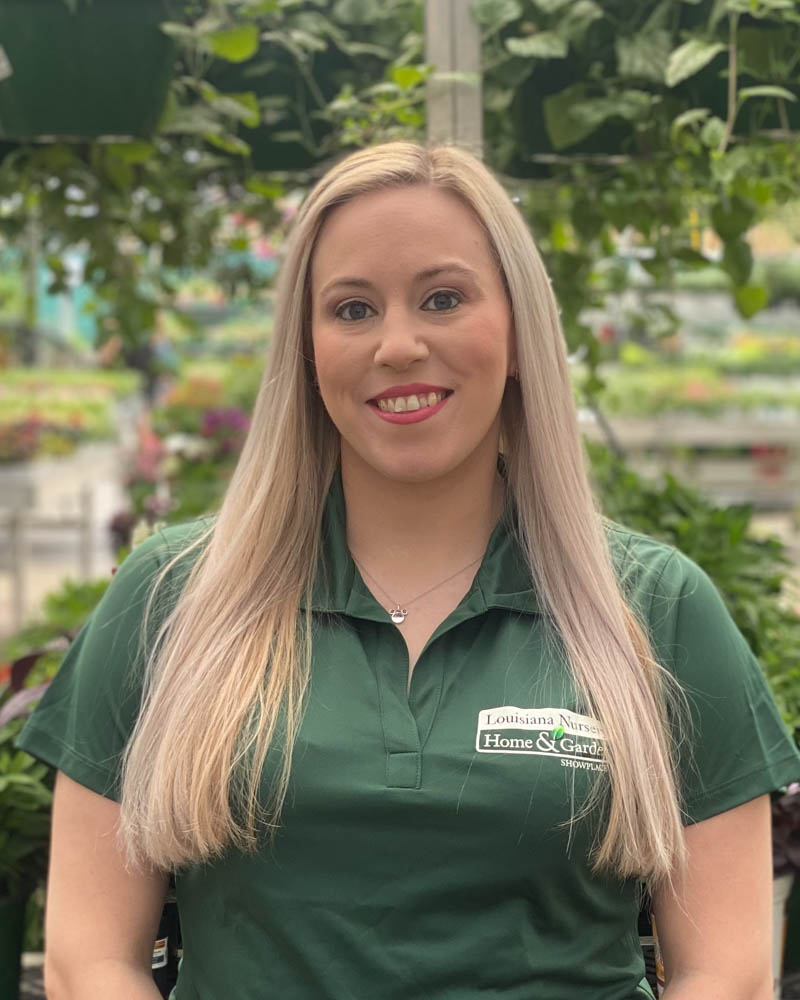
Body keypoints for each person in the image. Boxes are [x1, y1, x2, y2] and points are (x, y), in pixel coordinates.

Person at [17, 142, 800, 1000]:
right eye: (352, 309)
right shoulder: (174, 598)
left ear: (517, 331)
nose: (398, 345)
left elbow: (727, 973)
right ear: (308, 352)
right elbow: (89, 960)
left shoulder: (657, 608)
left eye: (443, 298)